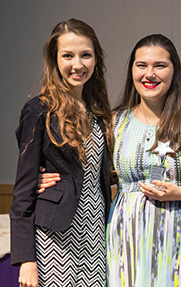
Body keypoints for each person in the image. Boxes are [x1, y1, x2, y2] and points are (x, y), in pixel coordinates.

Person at [38, 34, 181, 286]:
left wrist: (180, 193)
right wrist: (45, 178)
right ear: (132, 70)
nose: (150, 74)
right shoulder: (113, 122)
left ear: (174, 70)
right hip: (127, 241)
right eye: (141, 65)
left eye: (160, 66)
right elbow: (88, 173)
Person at [9, 18, 113, 287]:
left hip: (95, 234)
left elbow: (97, 174)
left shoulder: (98, 113)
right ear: (55, 59)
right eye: (68, 55)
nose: (77, 64)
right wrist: (26, 261)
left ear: (96, 59)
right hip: (54, 240)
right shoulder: (39, 110)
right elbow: (22, 193)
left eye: (85, 55)